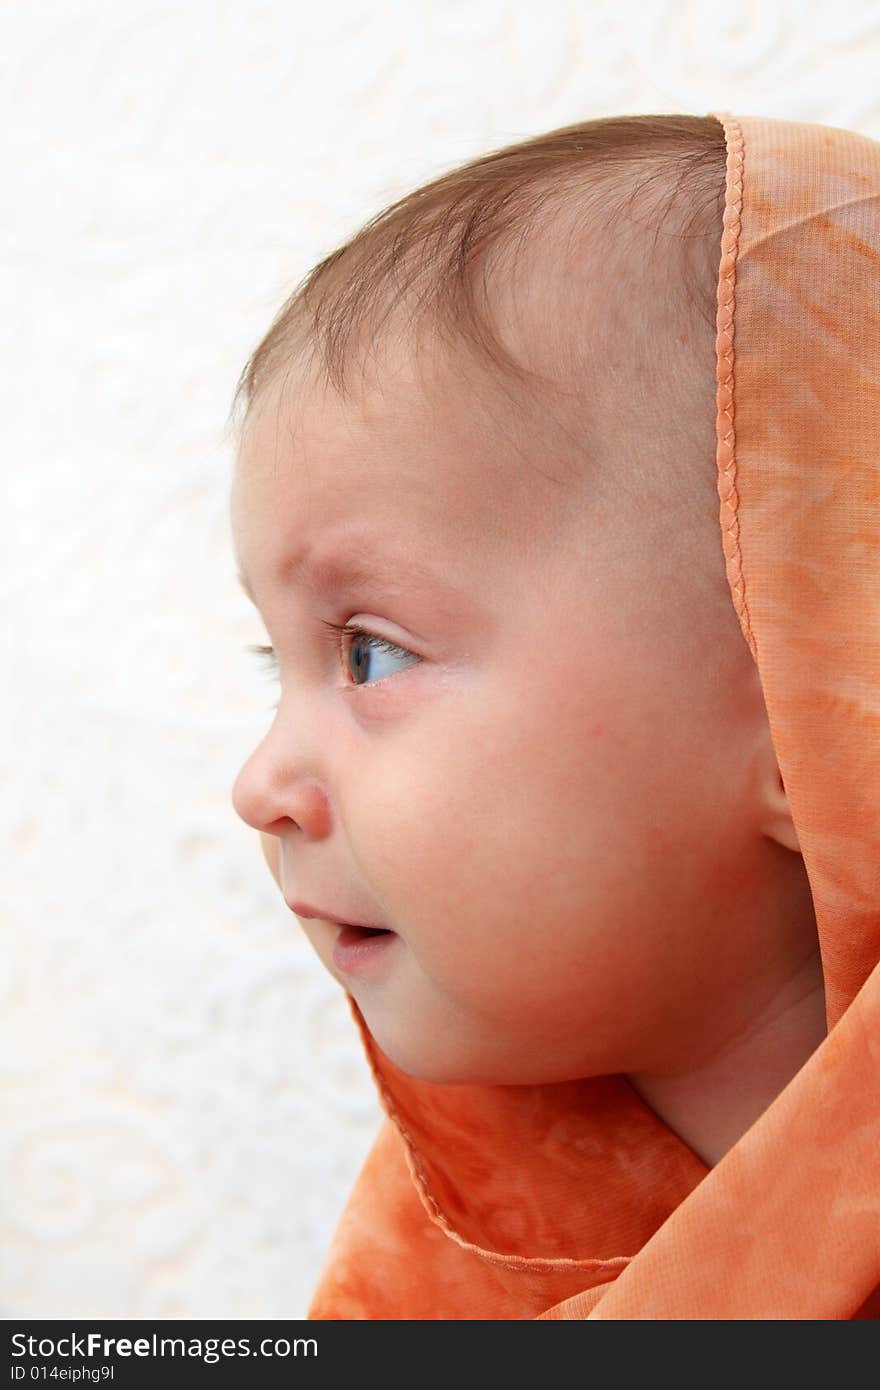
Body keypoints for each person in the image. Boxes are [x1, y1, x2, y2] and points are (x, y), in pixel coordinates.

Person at [227, 111, 880, 1319]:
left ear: (815, 704)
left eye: (369, 653)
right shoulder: (452, 1250)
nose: (258, 785)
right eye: (279, 663)